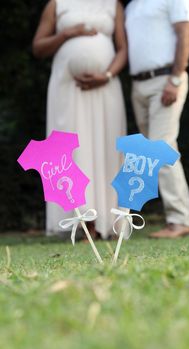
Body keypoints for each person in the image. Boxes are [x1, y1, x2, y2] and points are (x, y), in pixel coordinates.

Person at [32, 0, 128, 239]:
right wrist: (66, 34)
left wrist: (106, 75)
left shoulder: (113, 4)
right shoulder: (56, 4)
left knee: (107, 147)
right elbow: (38, 47)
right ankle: (83, 220)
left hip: (105, 86)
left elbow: (124, 49)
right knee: (72, 149)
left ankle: (110, 220)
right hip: (67, 88)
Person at [125, 0, 189, 238]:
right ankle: (176, 217)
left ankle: (180, 219)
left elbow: (185, 33)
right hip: (138, 84)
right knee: (152, 152)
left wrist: (175, 79)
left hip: (166, 79)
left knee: (160, 147)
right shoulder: (132, 6)